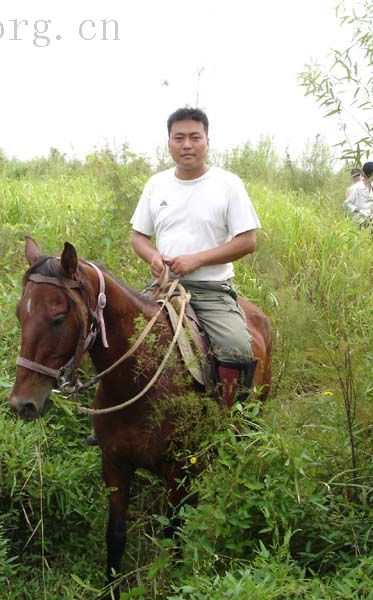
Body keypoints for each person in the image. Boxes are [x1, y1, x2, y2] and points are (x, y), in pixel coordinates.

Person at [130, 106, 261, 409]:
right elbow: (139, 237)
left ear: (207, 142)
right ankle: (111, 424)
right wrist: (152, 255)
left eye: (194, 137)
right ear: (169, 144)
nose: (186, 144)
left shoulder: (228, 184)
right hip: (162, 288)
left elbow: (248, 241)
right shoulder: (156, 184)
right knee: (118, 338)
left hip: (211, 291)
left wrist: (197, 260)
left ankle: (232, 420)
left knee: (238, 350)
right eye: (179, 138)